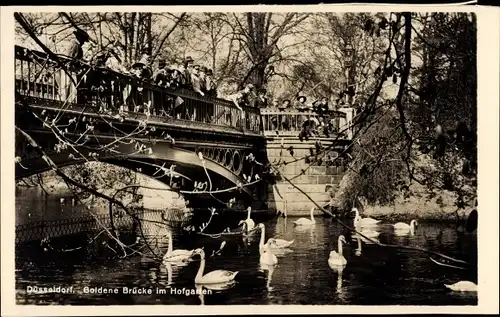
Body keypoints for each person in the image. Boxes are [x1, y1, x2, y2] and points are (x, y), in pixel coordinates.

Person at [61, 28, 90, 104]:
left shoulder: (76, 46)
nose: (83, 42)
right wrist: (79, 67)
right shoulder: (75, 45)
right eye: (83, 40)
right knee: (72, 90)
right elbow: (72, 59)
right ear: (79, 38)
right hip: (73, 71)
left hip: (74, 70)